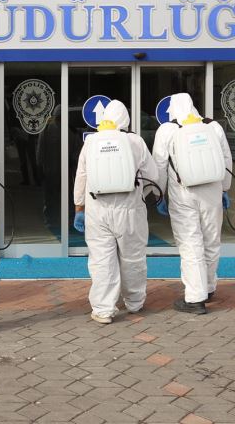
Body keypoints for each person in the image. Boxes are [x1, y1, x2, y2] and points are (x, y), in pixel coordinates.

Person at [73, 100, 158, 324]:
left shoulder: (91, 141)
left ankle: (103, 309)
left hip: (97, 210)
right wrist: (141, 194)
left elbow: (81, 176)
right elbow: (153, 176)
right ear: (125, 120)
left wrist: (79, 207)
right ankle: (135, 302)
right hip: (130, 210)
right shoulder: (135, 141)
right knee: (133, 258)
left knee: (102, 260)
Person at [152, 93, 232, 315]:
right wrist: (225, 188)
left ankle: (195, 298)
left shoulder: (167, 130)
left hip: (183, 194)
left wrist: (159, 195)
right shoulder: (213, 127)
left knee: (190, 243)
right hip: (212, 191)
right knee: (211, 240)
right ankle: (208, 287)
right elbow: (226, 160)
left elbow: (159, 166)